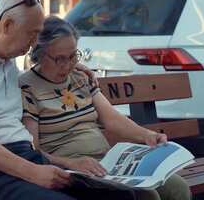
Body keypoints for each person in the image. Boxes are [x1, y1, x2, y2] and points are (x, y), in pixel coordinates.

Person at [0, 0, 135, 200]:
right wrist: (33, 172)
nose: (33, 44)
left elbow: (36, 76)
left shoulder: (6, 62)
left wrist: (71, 66)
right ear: (7, 25)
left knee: (121, 196)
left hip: (27, 157)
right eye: (31, 34)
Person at [20, 16, 192, 200]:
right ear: (39, 54)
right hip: (71, 170)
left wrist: (147, 136)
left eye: (72, 56)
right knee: (146, 196)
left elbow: (111, 118)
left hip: (106, 162)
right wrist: (71, 163)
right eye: (59, 59)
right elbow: (33, 149)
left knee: (178, 188)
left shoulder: (80, 77)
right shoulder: (27, 88)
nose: (67, 65)